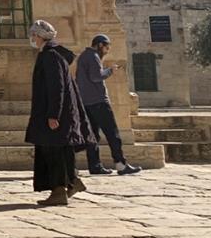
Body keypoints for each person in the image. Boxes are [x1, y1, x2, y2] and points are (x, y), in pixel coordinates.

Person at [26, 20, 95, 207]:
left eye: (33, 35)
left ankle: (58, 191)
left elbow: (57, 87)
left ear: (39, 36)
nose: (31, 38)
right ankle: (73, 181)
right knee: (60, 150)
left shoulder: (51, 56)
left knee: (53, 151)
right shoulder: (54, 54)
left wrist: (53, 114)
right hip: (60, 113)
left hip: (56, 115)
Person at [77, 34, 142, 176]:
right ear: (100, 45)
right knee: (113, 134)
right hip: (98, 102)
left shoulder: (84, 56)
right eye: (106, 47)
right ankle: (120, 164)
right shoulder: (93, 56)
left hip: (87, 103)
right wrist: (110, 70)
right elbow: (95, 76)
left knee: (93, 135)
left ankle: (95, 166)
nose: (107, 51)